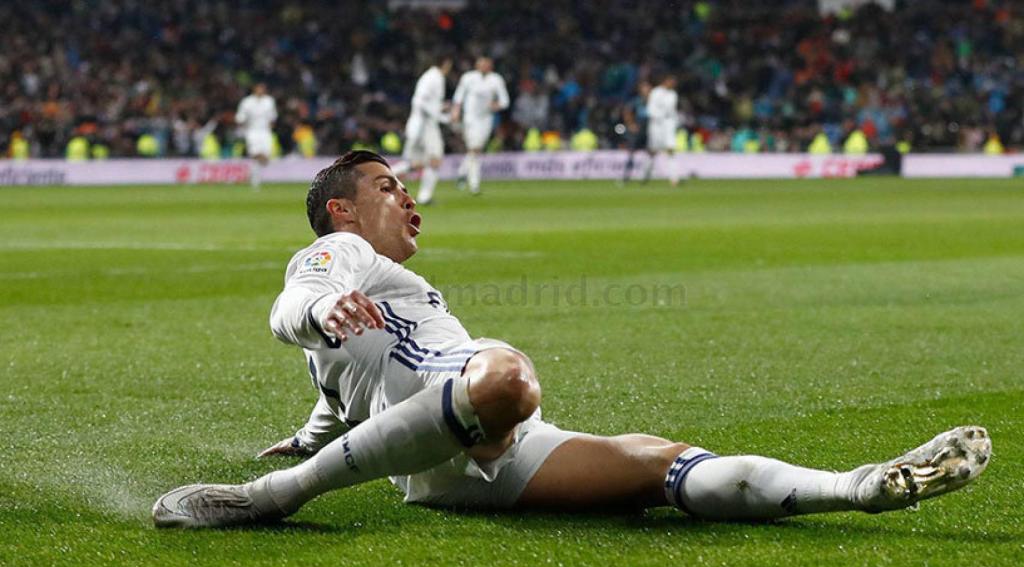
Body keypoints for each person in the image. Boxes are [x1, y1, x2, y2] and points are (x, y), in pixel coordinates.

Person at [153, 150, 991, 528]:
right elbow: (296, 298)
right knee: (509, 376)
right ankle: (275, 502)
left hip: (457, 465)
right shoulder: (345, 254)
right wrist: (322, 307)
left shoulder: (365, 300)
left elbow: (337, 404)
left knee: (659, 465)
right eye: (387, 186)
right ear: (341, 208)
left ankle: (861, 488)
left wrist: (304, 433)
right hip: (473, 401)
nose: (410, 201)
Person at [390, 55, 454, 205]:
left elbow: (425, 102)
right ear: (445, 64)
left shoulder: (429, 77)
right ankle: (424, 196)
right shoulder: (436, 77)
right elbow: (421, 102)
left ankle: (383, 178)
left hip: (421, 125)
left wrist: (440, 109)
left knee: (417, 163)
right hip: (425, 126)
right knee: (434, 159)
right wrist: (442, 117)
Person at [451, 57, 509, 195]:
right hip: (470, 118)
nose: (483, 67)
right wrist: (456, 111)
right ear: (476, 65)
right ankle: (474, 185)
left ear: (490, 66)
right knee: (475, 149)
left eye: (486, 65)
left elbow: (505, 101)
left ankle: (462, 172)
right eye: (480, 64)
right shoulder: (468, 78)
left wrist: (496, 105)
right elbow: (459, 96)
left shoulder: (496, 79)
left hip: (486, 119)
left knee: (475, 150)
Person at [235, 82, 277, 189]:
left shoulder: (269, 101)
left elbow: (273, 118)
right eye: (259, 88)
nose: (260, 90)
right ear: (254, 89)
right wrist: (243, 128)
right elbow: (240, 118)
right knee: (255, 154)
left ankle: (253, 177)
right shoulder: (247, 102)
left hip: (265, 132)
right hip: (252, 131)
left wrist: (270, 128)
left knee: (264, 158)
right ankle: (255, 182)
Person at [645, 75, 680, 185]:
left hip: (668, 124)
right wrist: (658, 116)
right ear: (665, 81)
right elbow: (650, 109)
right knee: (653, 151)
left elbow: (672, 110)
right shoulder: (656, 92)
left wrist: (675, 121)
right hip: (656, 124)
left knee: (670, 149)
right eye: (671, 81)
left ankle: (674, 178)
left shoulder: (673, 94)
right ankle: (645, 175)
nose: (673, 84)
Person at [620, 80, 651, 185]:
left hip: (650, 129)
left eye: (648, 88)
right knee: (632, 153)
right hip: (639, 129)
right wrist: (630, 125)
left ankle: (645, 178)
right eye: (644, 88)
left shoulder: (654, 101)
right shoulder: (637, 101)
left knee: (650, 154)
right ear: (640, 90)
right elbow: (627, 112)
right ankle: (626, 177)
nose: (646, 90)